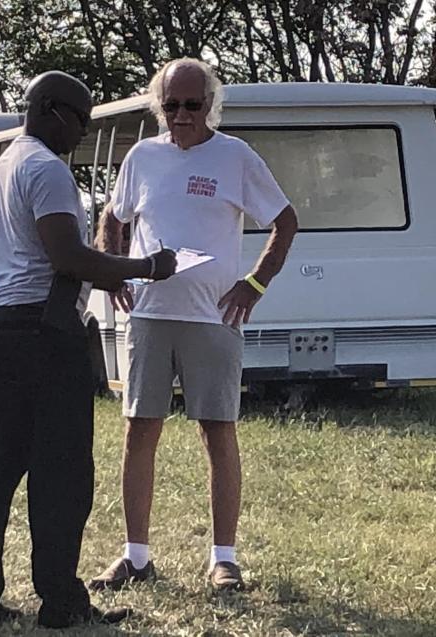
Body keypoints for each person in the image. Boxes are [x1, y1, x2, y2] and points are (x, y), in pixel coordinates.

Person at [0, 70, 176, 627]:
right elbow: (68, 258)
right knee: (62, 477)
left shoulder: (6, 162)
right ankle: (61, 602)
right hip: (44, 333)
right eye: (79, 119)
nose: (80, 132)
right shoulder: (47, 169)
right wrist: (146, 266)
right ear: (51, 110)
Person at [91, 58, 298, 593]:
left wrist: (254, 284)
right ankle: (136, 557)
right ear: (158, 106)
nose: (180, 116)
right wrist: (112, 271)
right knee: (140, 431)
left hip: (214, 317)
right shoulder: (141, 156)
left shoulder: (235, 157)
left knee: (217, 433)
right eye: (171, 105)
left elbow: (284, 221)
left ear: (211, 104)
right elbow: (114, 217)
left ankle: (224, 559)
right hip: (150, 318)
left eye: (192, 105)